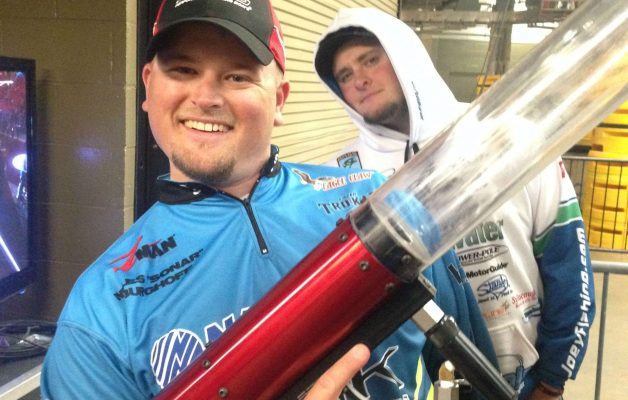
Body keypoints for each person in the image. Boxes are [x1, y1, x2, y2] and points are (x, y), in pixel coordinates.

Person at [40, 1, 494, 399]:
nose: (205, 96)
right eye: (183, 70)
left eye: (237, 75)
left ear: (279, 99)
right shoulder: (100, 311)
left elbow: (474, 373)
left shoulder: (381, 206)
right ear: (147, 86)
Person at [314, 7, 596, 399]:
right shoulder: (342, 178)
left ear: (404, 54)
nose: (359, 79)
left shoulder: (507, 136)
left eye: (370, 60)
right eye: (344, 75)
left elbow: (566, 262)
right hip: (418, 387)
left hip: (523, 382)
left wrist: (551, 381)